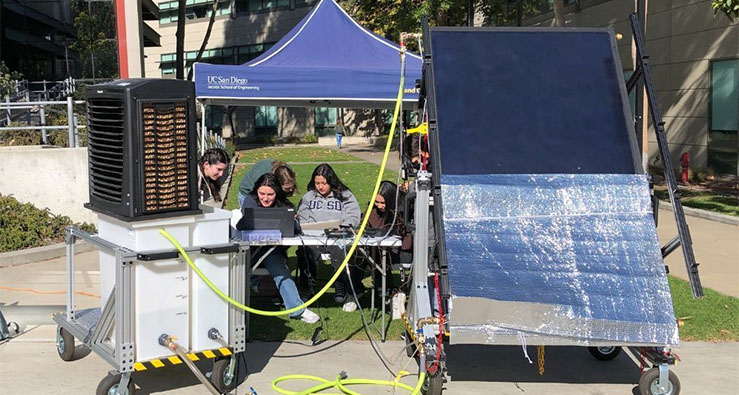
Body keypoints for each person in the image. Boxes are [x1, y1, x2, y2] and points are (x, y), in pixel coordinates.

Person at [243, 173, 319, 324]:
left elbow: (295, 230)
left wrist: (293, 223)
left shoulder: (285, 206)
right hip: (249, 251)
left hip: (272, 251)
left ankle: (297, 310)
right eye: (262, 194)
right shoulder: (250, 201)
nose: (265, 198)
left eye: (270, 194)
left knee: (279, 268)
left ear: (277, 192)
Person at [296, 163, 360, 306]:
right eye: (317, 183)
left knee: (340, 251)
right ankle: (307, 287)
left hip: (337, 237)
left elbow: (353, 216)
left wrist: (345, 226)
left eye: (324, 183)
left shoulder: (345, 195)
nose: (320, 187)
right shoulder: (308, 197)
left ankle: (340, 285)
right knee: (305, 251)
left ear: (331, 181)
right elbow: (302, 217)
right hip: (313, 237)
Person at [367, 181, 412, 298]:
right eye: (376, 202)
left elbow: (407, 239)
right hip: (377, 248)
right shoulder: (372, 211)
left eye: (382, 203)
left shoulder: (402, 211)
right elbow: (364, 226)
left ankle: (385, 289)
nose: (379, 206)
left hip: (401, 250)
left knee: (380, 255)